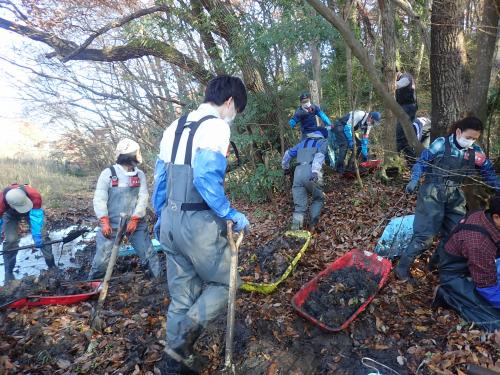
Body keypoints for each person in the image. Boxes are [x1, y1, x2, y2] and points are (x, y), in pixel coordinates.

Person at [151, 75, 250, 374]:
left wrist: (161, 218)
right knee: (226, 282)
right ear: (230, 102)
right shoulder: (216, 127)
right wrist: (230, 213)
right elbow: (205, 178)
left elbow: (160, 181)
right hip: (197, 222)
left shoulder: (174, 126)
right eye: (236, 111)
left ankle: (174, 363)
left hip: (169, 220)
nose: (233, 117)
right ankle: (180, 345)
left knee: (182, 295)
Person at [395, 116, 498, 281]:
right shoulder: (441, 144)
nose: (470, 141)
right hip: (432, 192)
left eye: (474, 139)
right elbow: (422, 161)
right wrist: (414, 178)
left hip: (455, 195)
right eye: (468, 137)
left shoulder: (476, 152)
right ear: (458, 132)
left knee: (455, 234)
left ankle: (434, 265)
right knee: (424, 237)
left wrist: (497, 187)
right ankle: (401, 269)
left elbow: (489, 173)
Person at [89, 138, 161, 280]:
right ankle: (92, 284)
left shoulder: (139, 175)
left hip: (135, 223)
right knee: (102, 260)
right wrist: (104, 221)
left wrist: (135, 218)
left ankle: (157, 280)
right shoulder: (108, 174)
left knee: (148, 254)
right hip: (111, 224)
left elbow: (143, 197)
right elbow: (99, 198)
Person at [434, 196, 500, 331]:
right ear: (497, 217)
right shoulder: (479, 244)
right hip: (455, 273)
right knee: (494, 321)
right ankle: (446, 295)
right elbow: (487, 287)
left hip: (474, 261)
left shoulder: (484, 215)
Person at [0, 184, 56, 283]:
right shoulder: (1, 203)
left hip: (32, 210)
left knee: (43, 237)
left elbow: (36, 217)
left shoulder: (35, 196)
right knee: (10, 241)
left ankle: (52, 266)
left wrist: (37, 236)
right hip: (10, 214)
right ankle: (8, 272)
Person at [282, 127, 328, 231]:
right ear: (323, 135)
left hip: (298, 174)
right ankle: (312, 225)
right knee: (318, 198)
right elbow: (320, 155)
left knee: (299, 206)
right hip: (311, 172)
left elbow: (287, 154)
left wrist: (285, 167)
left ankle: (295, 229)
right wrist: (315, 171)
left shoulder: (302, 143)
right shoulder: (322, 141)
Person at [395, 71, 418, 160]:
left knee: (399, 136)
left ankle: (395, 161)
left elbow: (399, 84)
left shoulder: (406, 76)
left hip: (408, 108)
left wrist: (390, 84)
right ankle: (412, 162)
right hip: (404, 108)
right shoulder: (400, 78)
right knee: (404, 138)